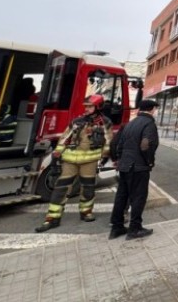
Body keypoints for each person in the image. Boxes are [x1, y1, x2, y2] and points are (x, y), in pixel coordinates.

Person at [35, 94, 113, 232]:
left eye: (90, 106)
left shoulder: (105, 123)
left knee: (88, 188)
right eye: (86, 106)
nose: (87, 109)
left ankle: (86, 212)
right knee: (61, 188)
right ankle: (52, 218)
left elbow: (108, 141)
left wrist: (105, 156)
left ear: (98, 107)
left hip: (89, 161)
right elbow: (65, 137)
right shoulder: (77, 121)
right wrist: (57, 153)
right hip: (70, 160)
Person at [108, 98, 160, 240]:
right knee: (138, 197)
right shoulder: (149, 124)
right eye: (156, 109)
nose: (156, 112)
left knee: (122, 196)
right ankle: (135, 228)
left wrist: (118, 160)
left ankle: (116, 227)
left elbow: (117, 144)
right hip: (138, 167)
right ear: (151, 109)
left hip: (124, 165)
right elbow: (146, 145)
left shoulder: (130, 124)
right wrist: (149, 162)